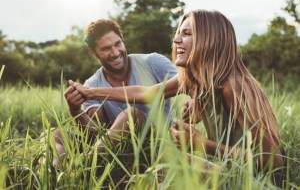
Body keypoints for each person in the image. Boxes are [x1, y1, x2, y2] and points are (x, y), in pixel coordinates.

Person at [70, 10, 285, 185]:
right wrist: (90, 93)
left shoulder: (234, 87)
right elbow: (146, 94)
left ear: (210, 39)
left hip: (253, 181)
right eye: (178, 33)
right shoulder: (196, 80)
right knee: (158, 159)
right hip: (228, 168)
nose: (176, 39)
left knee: (162, 166)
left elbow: (274, 161)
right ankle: (93, 176)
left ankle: (82, 176)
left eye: (186, 34)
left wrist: (202, 144)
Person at [52, 19, 177, 168]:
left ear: (123, 40)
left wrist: (194, 102)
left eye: (118, 44)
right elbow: (97, 133)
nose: (115, 53)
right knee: (54, 134)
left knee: (131, 115)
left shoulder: (153, 62)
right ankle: (58, 171)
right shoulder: (91, 84)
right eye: (106, 49)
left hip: (155, 145)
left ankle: (82, 168)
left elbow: (188, 83)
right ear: (93, 53)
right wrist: (75, 110)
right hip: (117, 148)